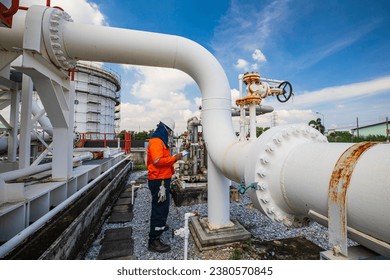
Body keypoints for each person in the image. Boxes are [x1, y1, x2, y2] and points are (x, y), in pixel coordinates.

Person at [146, 117, 182, 253]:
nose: (170, 134)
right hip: (158, 179)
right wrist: (175, 158)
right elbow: (157, 160)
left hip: (162, 178)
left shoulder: (160, 139)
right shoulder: (157, 140)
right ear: (166, 129)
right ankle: (154, 240)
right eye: (170, 131)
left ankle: (159, 225)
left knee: (162, 205)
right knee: (160, 207)